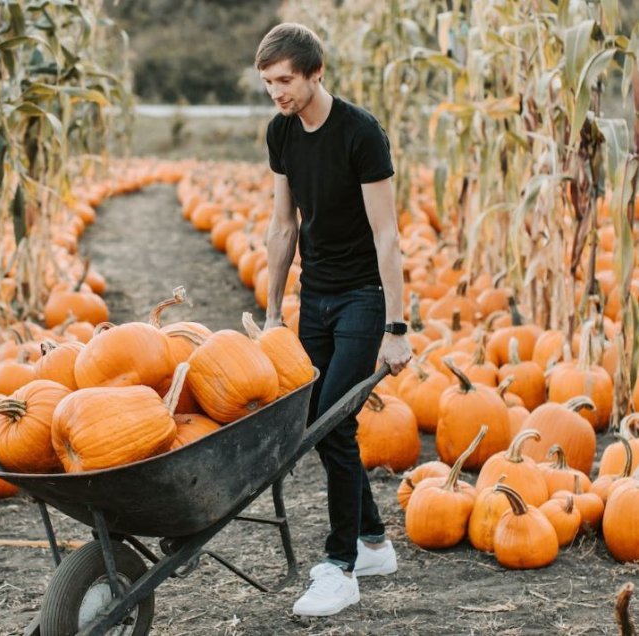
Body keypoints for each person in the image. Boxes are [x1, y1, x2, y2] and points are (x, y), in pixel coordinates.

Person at [255, 23, 412, 617]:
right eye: (268, 83)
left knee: (330, 418)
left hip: (363, 297)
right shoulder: (281, 132)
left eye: (286, 81)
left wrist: (397, 328)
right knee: (323, 423)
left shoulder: (360, 133)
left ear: (315, 73)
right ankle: (373, 543)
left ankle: (340, 565)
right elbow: (283, 225)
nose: (278, 93)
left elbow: (387, 233)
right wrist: (273, 311)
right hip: (313, 295)